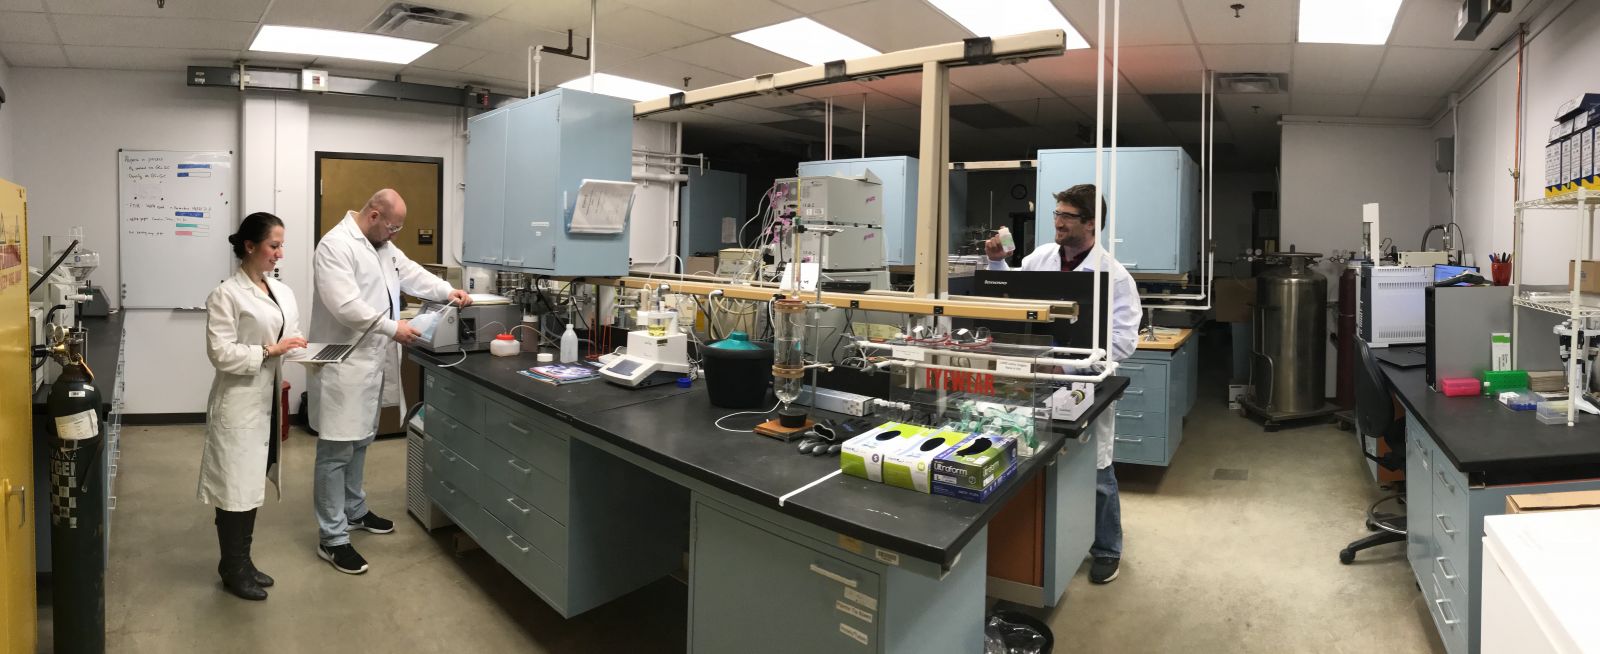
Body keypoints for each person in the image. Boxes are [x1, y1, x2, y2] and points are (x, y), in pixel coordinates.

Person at [985, 184, 1141, 585]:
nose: (1057, 222)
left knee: (1096, 471)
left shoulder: (1115, 276)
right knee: (1038, 460)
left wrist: (1070, 368)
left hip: (1083, 382)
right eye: (1056, 213)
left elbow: (1123, 342)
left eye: (1066, 216)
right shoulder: (1041, 258)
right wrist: (999, 264)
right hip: (1035, 379)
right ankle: (1047, 547)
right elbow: (1014, 302)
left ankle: (1107, 548)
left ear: (1090, 224)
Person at [308, 188, 471, 574]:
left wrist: (448, 290)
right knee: (335, 452)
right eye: (393, 226)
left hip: (371, 361)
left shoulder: (382, 246)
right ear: (374, 214)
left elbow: (410, 272)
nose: (396, 234)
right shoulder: (335, 246)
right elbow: (345, 305)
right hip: (343, 364)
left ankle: (355, 509)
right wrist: (391, 328)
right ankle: (331, 538)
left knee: (362, 439)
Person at [201, 212, 307, 600]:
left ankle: (241, 561)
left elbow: (290, 336)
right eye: (273, 246)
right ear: (250, 246)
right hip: (239, 404)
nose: (279, 254)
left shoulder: (279, 290)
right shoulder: (226, 294)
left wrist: (309, 354)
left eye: (282, 246)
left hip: (267, 401)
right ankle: (232, 567)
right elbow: (221, 353)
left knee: (251, 483)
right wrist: (269, 350)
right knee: (235, 486)